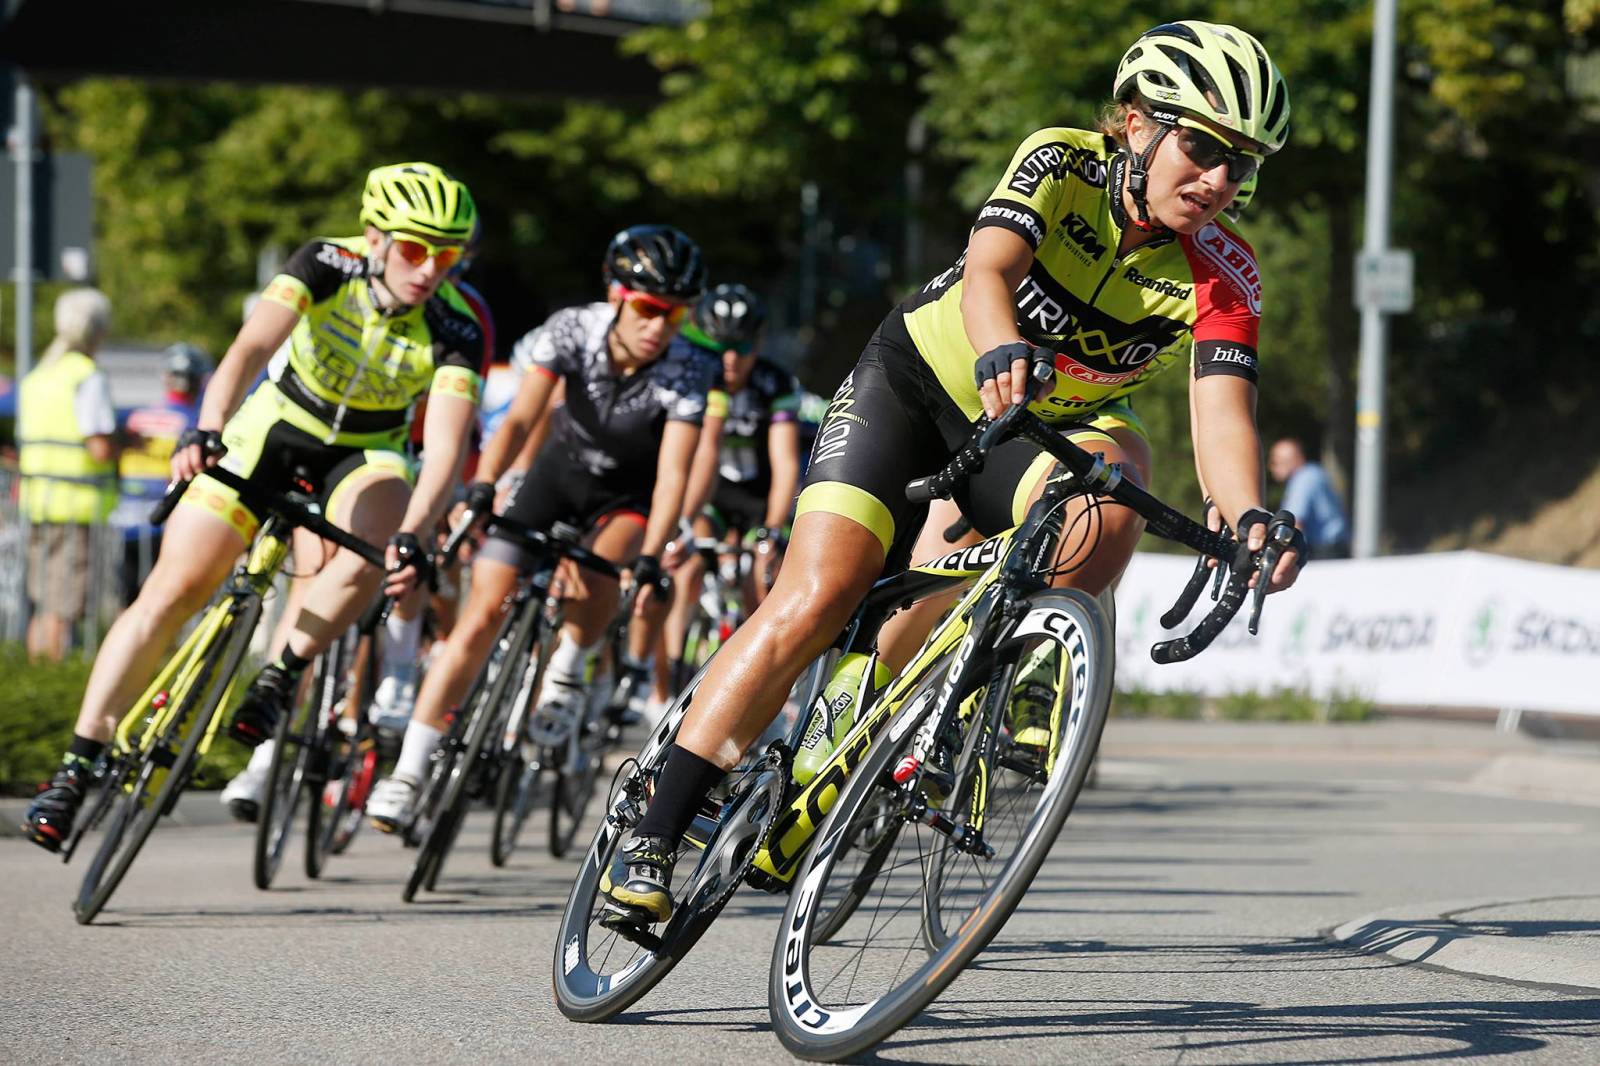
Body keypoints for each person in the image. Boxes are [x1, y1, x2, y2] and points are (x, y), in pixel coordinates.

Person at [598, 20, 1307, 925]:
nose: (1217, 180)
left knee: (1118, 481)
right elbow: (988, 273)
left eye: (1240, 165)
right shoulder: (1062, 161)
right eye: (1202, 148)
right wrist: (1000, 344)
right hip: (919, 386)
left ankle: (1014, 666)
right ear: (1136, 123)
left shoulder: (1226, 270)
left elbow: (1222, 412)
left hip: (1045, 426)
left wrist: (1248, 517)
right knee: (818, 594)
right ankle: (659, 825)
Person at [21, 162, 485, 850]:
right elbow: (250, 348)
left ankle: (281, 674)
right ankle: (75, 766)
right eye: (415, 250)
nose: (429, 270)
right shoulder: (325, 263)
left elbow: (443, 449)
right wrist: (205, 427)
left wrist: (415, 533)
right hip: (274, 426)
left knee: (381, 541)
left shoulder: (456, 325)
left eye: (446, 256)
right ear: (374, 238)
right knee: (172, 589)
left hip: (366, 452)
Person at [365, 224, 713, 831]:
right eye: (649, 308)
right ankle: (408, 773)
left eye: (676, 314)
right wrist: (484, 484)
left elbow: (673, 474)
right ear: (616, 295)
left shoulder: (689, 367)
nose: (659, 326)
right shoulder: (573, 329)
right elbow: (522, 419)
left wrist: (652, 555)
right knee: (479, 615)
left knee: (606, 563)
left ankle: (569, 666)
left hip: (626, 496)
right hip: (556, 477)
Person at [660, 283, 802, 699]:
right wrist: (684, 522)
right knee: (686, 569)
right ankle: (667, 682)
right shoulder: (698, 378)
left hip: (758, 497)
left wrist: (772, 529)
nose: (730, 359)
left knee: (760, 582)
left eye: (740, 349)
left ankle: (763, 686)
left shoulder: (774, 382)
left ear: (756, 345)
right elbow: (699, 457)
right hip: (712, 495)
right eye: (720, 347)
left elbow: (786, 463)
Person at [17, 287, 120, 661]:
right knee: (63, 606)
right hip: (76, 504)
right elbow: (99, 446)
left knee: (44, 602)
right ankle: (53, 675)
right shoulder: (86, 376)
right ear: (98, 330)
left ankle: (35, 673)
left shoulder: (39, 375)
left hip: (38, 500)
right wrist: (129, 444)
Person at [115, 343, 213, 602]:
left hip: (129, 520)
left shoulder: (138, 416)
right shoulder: (194, 421)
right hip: (168, 521)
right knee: (162, 599)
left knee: (129, 598)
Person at [1269, 436, 1349, 559]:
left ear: (1293, 460)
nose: (1271, 467)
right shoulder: (1314, 473)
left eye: (1276, 462)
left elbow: (1294, 522)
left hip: (1323, 551)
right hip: (1335, 547)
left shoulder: (1303, 480)